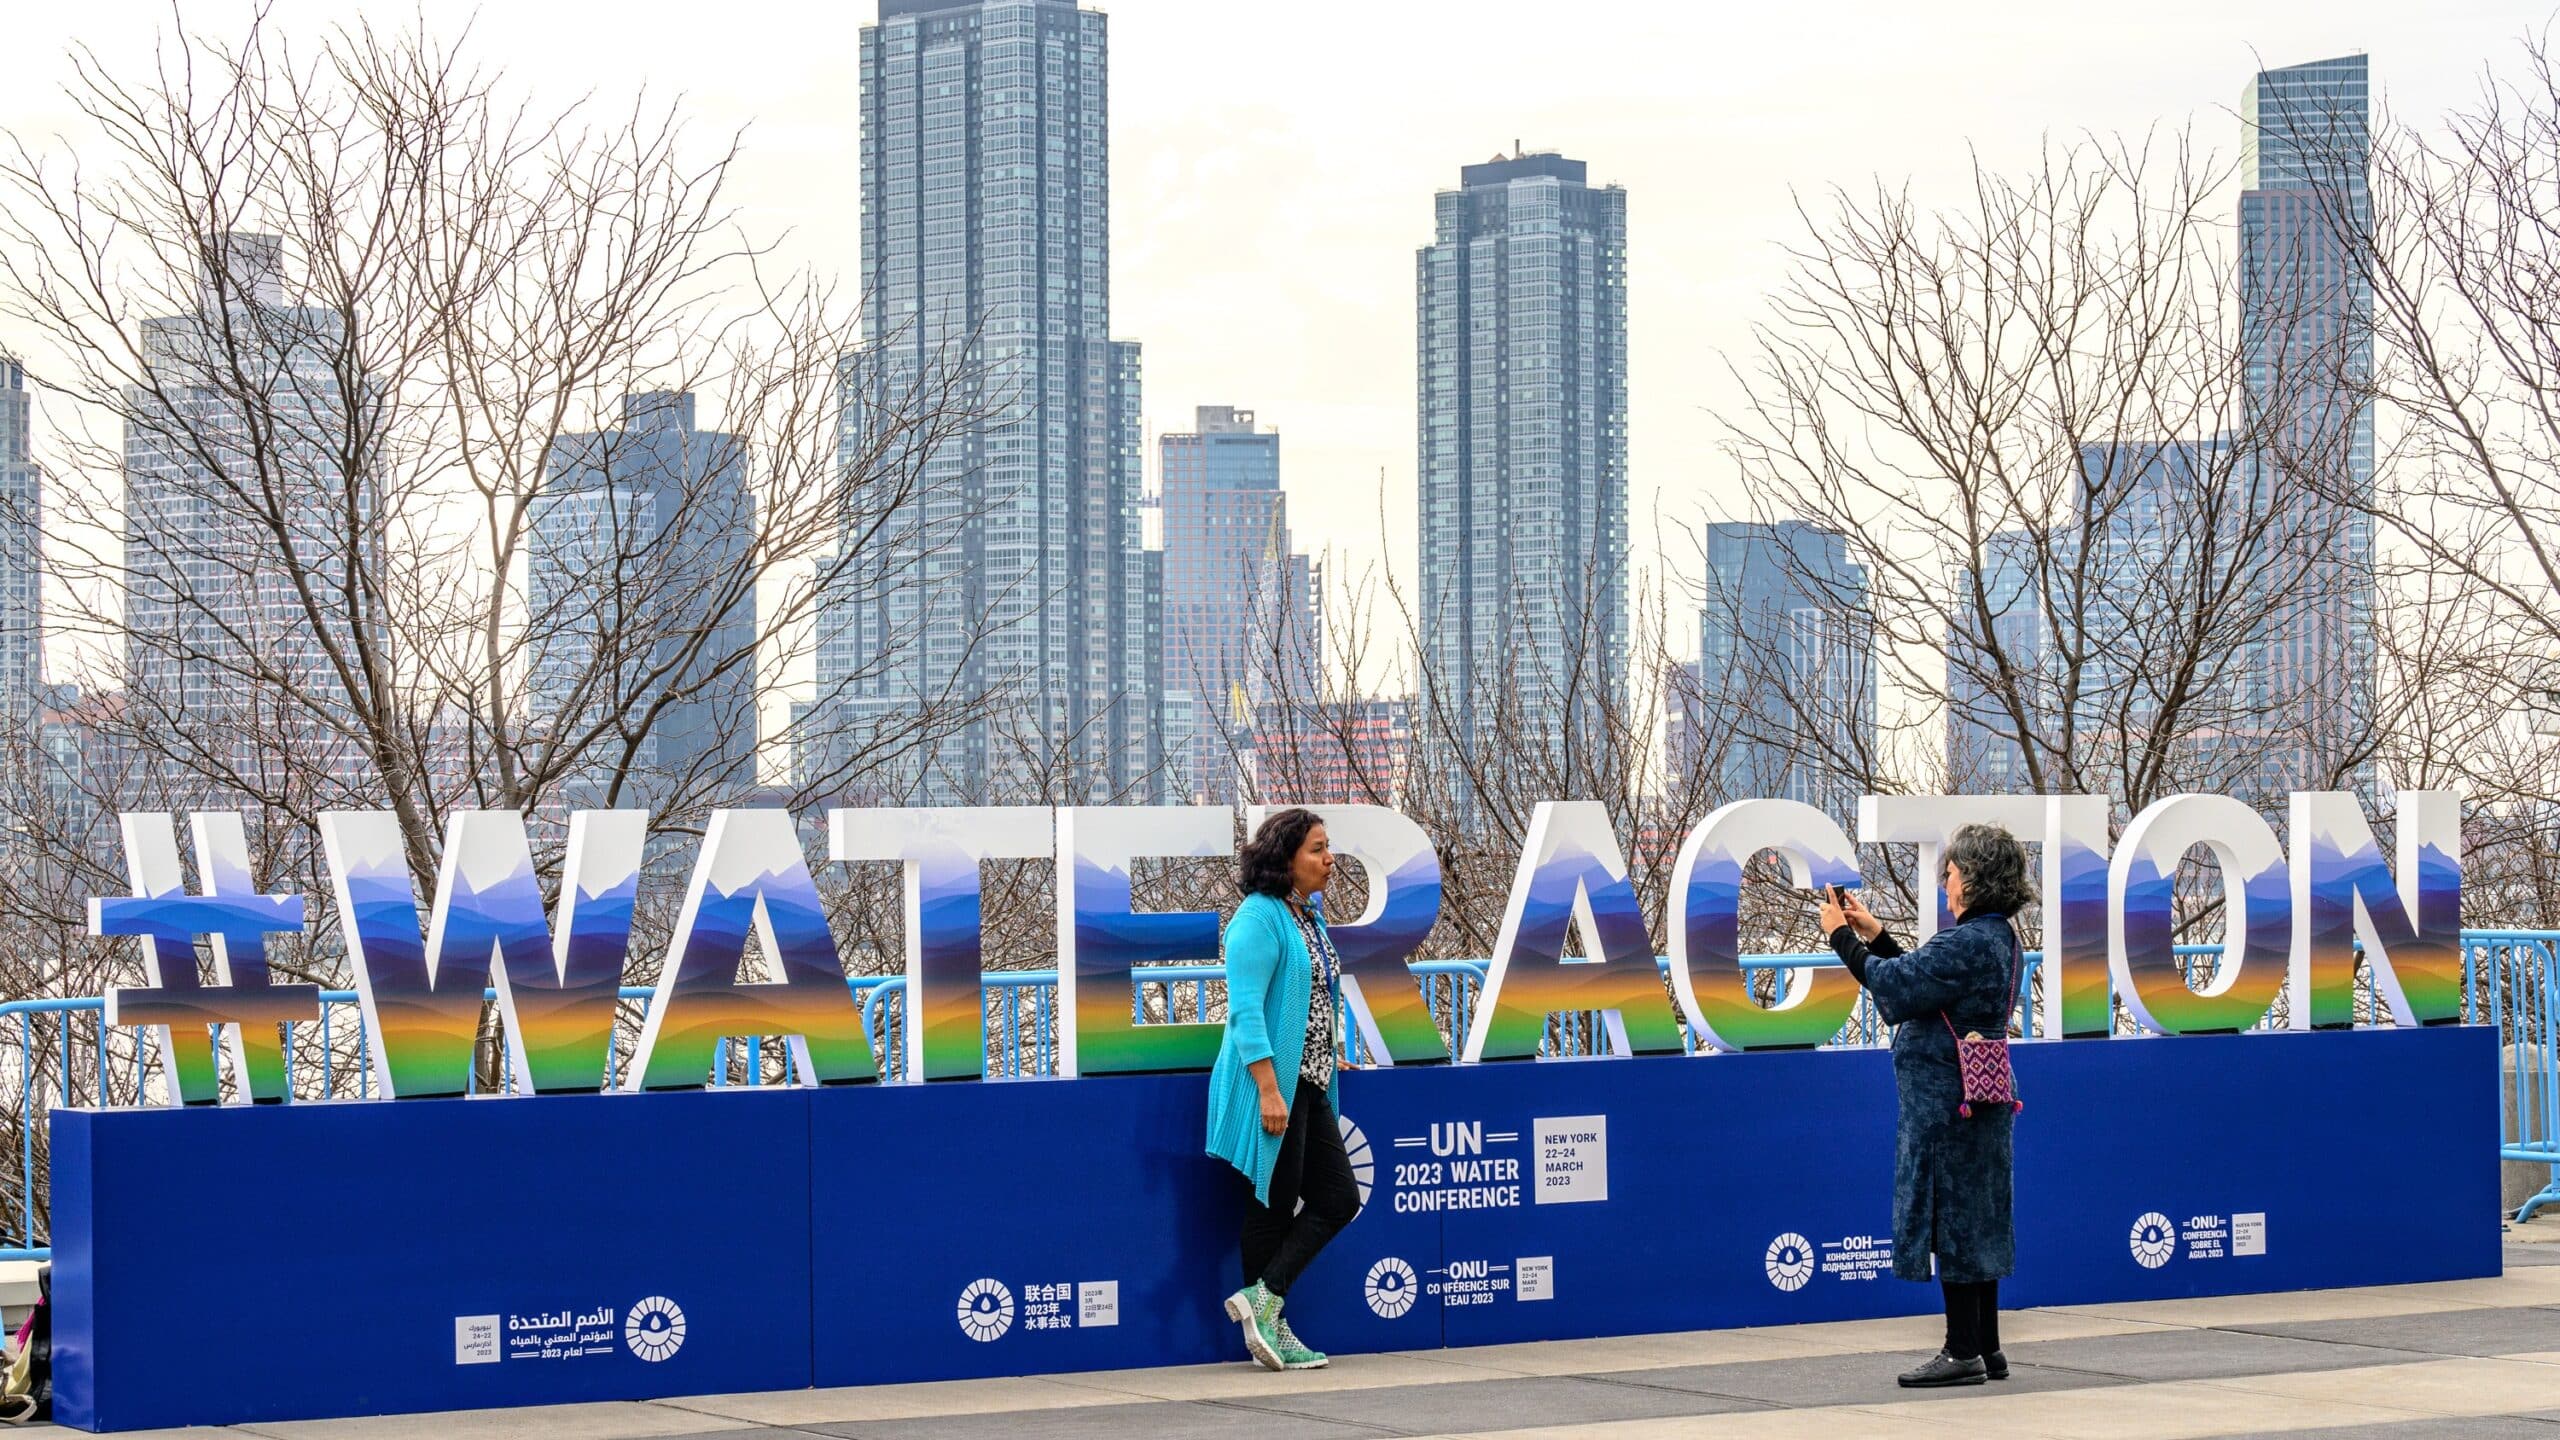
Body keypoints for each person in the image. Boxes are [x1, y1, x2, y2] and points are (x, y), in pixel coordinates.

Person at [1819, 822, 2032, 1388]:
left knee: (1953, 1219)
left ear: (1975, 882)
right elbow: (1923, 983)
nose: (1947, 883)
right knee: (1981, 1216)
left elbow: (1897, 985)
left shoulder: (1964, 942)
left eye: (1953, 873)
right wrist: (1877, 933)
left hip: (1945, 1106)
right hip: (1982, 1099)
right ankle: (1987, 1347)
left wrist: (1842, 936)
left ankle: (1961, 1351)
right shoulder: (2002, 939)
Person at [1205, 807, 1357, 1372]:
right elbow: (1246, 1012)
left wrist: (1324, 1048)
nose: (1329, 858)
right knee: (1271, 1201)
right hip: (1273, 1086)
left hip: (1310, 1079)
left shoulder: (1305, 917)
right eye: (1318, 849)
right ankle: (1270, 1323)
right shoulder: (1257, 918)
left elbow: (1306, 999)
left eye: (1328, 847)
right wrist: (1270, 1089)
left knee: (1338, 1198)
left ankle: (1262, 1302)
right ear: (1286, 857)